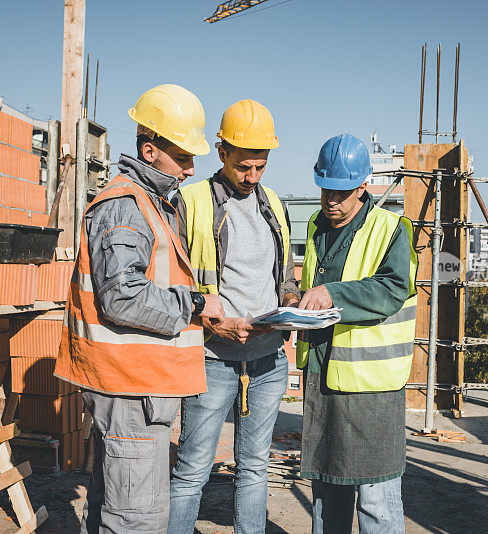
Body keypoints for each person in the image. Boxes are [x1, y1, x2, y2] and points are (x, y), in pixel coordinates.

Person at [54, 84, 224, 534]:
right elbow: (122, 295)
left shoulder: (151, 204)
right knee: (137, 520)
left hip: (137, 387)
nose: (191, 169)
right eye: (183, 157)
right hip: (130, 388)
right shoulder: (127, 207)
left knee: (117, 505)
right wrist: (199, 305)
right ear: (150, 151)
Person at [168, 99, 299, 534]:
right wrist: (211, 321)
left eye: (261, 167)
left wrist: (291, 305)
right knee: (192, 470)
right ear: (221, 153)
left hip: (267, 360)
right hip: (213, 358)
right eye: (244, 166)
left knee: (255, 467)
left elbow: (284, 276)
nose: (253, 177)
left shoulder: (274, 204)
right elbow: (172, 280)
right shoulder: (191, 202)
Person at [296, 133, 418, 534]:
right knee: (327, 488)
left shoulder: (392, 229)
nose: (332, 200)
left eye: (342, 192)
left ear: (363, 186)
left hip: (371, 386)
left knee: (376, 498)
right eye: (325, 190)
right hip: (322, 377)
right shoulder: (316, 225)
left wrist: (332, 294)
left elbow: (392, 287)